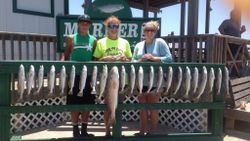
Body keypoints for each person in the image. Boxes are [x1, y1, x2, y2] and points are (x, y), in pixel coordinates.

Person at [93, 16, 132, 136]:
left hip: (122, 80)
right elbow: (95, 60)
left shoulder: (125, 42)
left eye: (116, 26)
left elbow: (130, 59)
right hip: (106, 80)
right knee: (108, 106)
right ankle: (107, 130)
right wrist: (104, 59)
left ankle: (117, 132)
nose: (113, 28)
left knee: (118, 105)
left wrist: (125, 59)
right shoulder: (101, 42)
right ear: (107, 27)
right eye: (111, 26)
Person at [132, 21, 172, 136]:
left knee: (153, 106)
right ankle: (142, 130)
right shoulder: (139, 45)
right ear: (144, 32)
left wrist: (153, 58)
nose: (149, 32)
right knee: (142, 107)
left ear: (155, 32)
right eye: (147, 30)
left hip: (156, 81)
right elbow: (133, 61)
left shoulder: (160, 42)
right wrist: (141, 60)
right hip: (141, 81)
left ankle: (152, 131)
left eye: (152, 30)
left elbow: (169, 58)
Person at [61, 14, 97, 138]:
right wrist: (61, 67)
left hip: (88, 77)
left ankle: (84, 130)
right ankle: (75, 129)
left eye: (87, 23)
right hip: (73, 76)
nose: (84, 25)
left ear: (90, 25)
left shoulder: (94, 39)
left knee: (88, 103)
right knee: (74, 103)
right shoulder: (71, 38)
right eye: (82, 22)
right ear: (78, 24)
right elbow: (65, 55)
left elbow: (94, 58)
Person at [219, 9, 248, 76]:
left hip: (238, 43)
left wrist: (242, 31)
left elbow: (237, 34)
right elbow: (220, 29)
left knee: (242, 55)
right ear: (231, 15)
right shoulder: (227, 22)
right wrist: (226, 37)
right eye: (235, 14)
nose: (236, 16)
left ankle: (238, 71)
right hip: (230, 44)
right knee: (238, 55)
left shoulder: (237, 24)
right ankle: (236, 71)